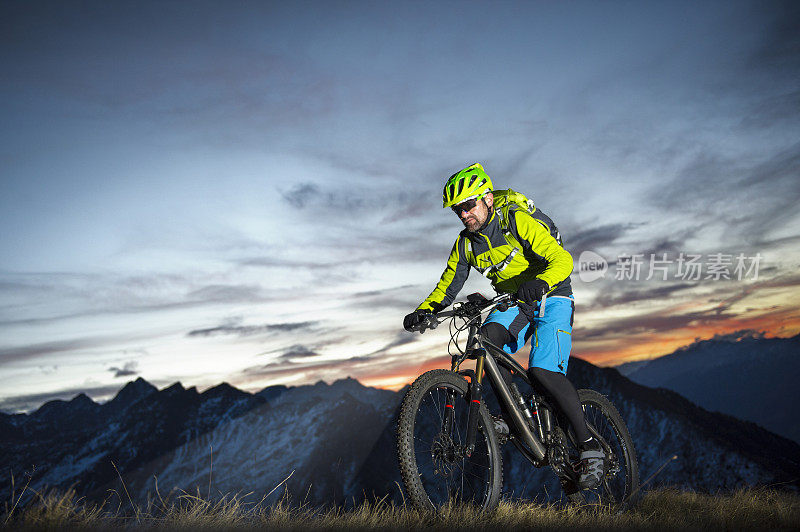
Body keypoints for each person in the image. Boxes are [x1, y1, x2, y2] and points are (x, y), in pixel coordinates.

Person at [402, 163, 604, 489]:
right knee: (485, 342)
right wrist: (424, 311)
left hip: (551, 297)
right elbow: (447, 286)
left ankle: (589, 448)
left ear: (487, 199)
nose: (464, 214)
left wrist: (540, 281)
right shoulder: (466, 244)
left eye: (469, 206)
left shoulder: (514, 220)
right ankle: (513, 418)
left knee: (542, 371)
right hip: (513, 302)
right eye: (458, 210)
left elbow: (562, 259)